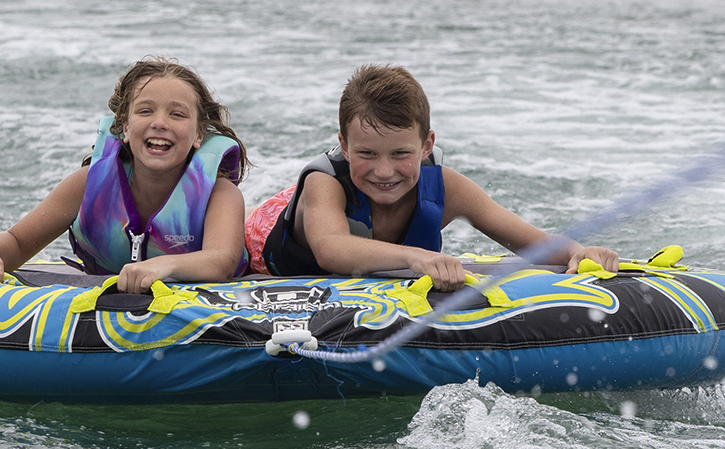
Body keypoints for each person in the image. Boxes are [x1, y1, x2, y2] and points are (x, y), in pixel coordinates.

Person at [245, 64, 619, 290]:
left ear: (427, 145)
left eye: (401, 153)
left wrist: (577, 251)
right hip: (270, 244)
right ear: (343, 145)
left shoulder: (446, 188)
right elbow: (330, 250)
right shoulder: (325, 183)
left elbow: (531, 242)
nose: (384, 170)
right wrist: (417, 258)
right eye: (366, 153)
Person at [0, 58, 248, 292]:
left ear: (199, 134)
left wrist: (165, 266)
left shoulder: (218, 193)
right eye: (145, 111)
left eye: (177, 114)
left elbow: (221, 260)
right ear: (124, 126)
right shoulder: (88, 185)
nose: (160, 123)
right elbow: (19, 242)